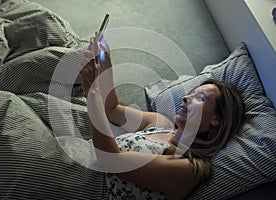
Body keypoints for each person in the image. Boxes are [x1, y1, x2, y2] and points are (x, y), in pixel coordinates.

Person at [80, 35, 244, 200]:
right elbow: (112, 109)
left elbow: (111, 160)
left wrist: (92, 91)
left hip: (87, 186)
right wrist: (105, 64)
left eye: (200, 98)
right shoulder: (160, 123)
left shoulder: (188, 170)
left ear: (216, 120)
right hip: (82, 155)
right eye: (192, 93)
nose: (187, 98)